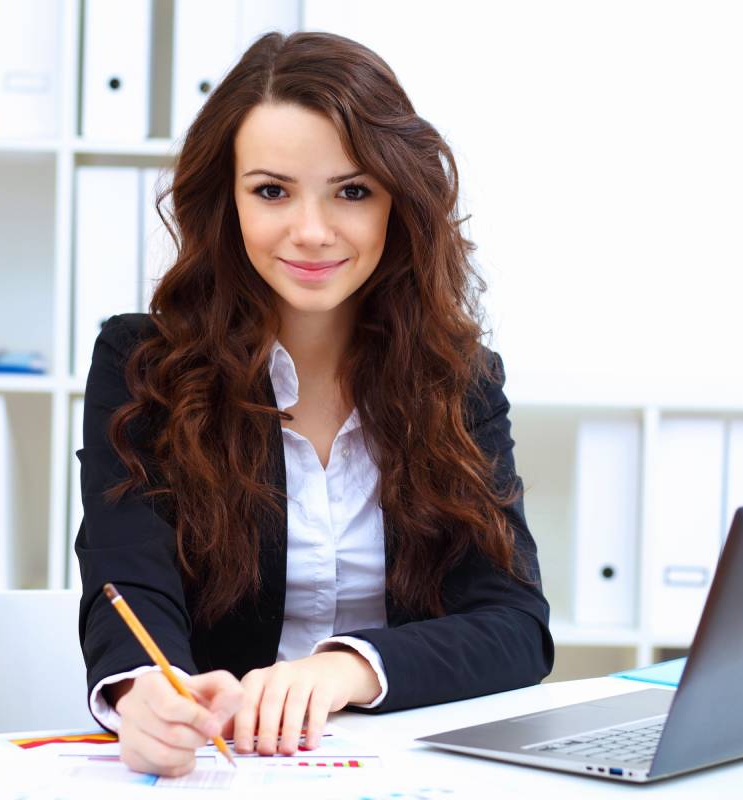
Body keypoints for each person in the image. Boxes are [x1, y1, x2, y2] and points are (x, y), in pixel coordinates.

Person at [76, 30, 553, 778]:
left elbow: (515, 626)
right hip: (225, 769)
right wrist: (143, 691)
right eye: (271, 191)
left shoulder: (456, 378)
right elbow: (126, 578)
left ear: (399, 201)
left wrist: (345, 670)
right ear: (226, 202)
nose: (311, 231)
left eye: (353, 191)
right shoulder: (145, 366)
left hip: (405, 772)